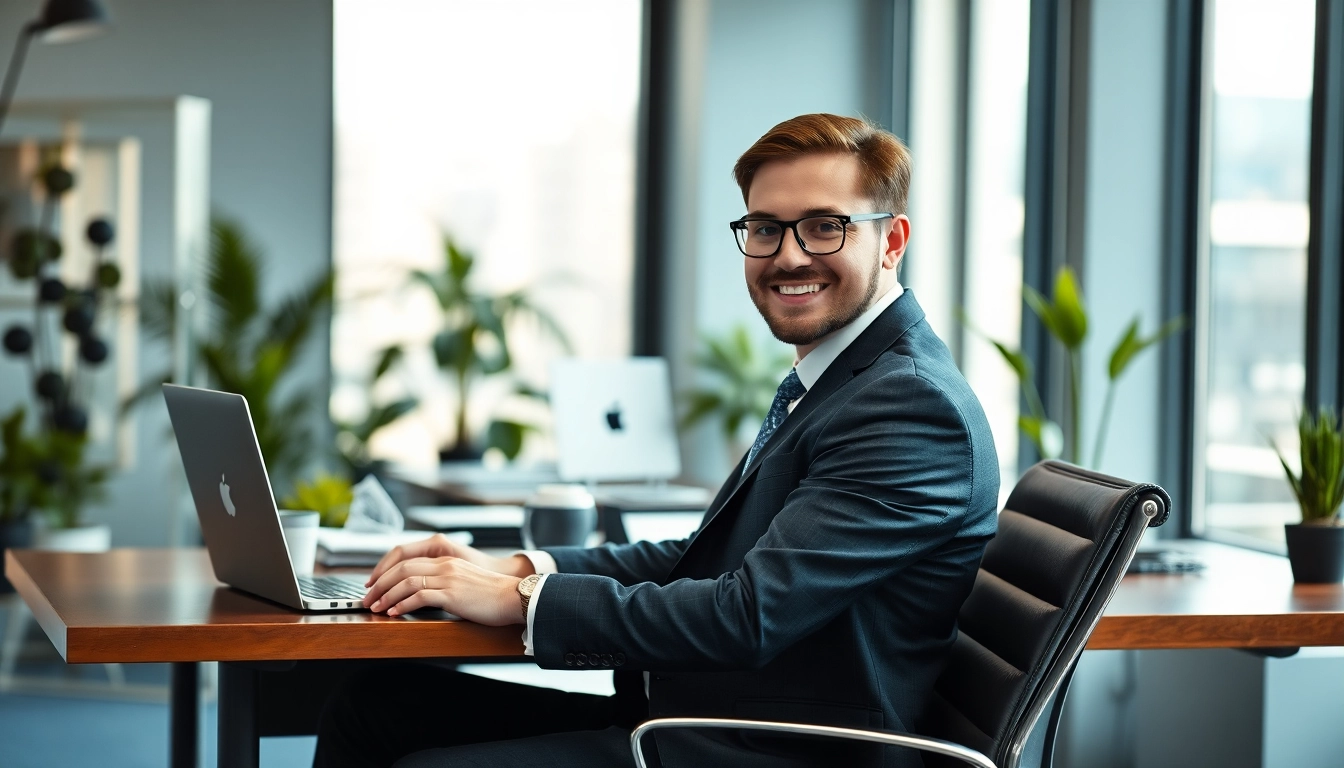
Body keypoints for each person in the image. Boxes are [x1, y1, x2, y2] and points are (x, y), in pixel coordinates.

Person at [313, 113, 999, 768]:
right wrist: (517, 570)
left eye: (825, 227)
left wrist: (521, 604)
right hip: (700, 717)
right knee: (377, 706)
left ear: (893, 240)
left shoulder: (907, 404)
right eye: (765, 228)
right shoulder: (843, 377)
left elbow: (748, 614)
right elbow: (700, 558)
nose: (789, 255)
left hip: (768, 750)